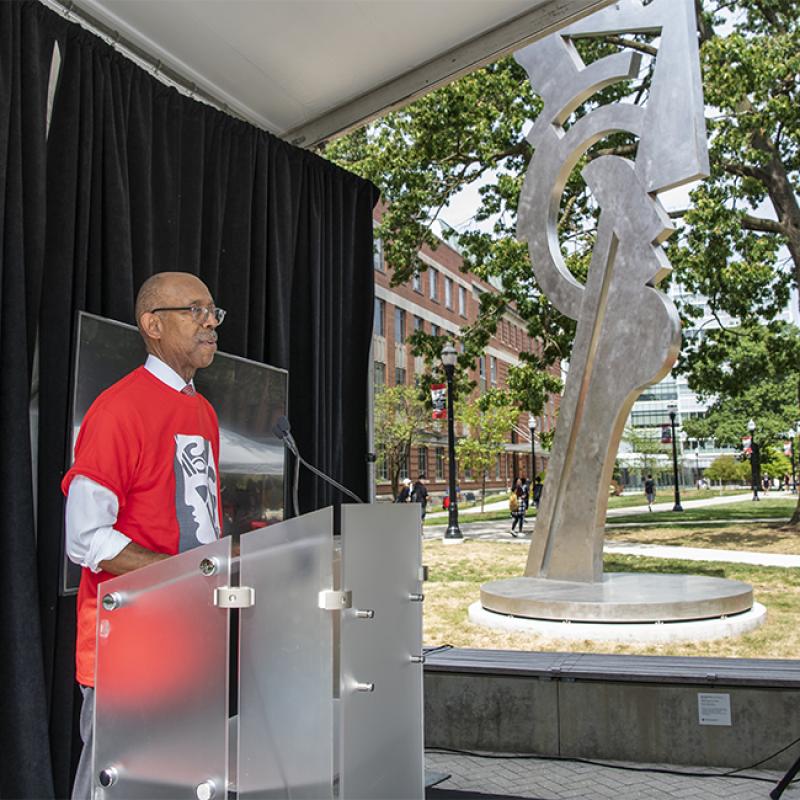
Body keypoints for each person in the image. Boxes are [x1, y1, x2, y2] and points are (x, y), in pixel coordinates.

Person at [62, 272, 225, 800]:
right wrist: (184, 573)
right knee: (115, 789)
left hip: (191, 640)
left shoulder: (203, 411)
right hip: (127, 649)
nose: (211, 323)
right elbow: (85, 538)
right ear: (153, 324)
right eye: (195, 311)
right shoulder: (117, 410)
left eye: (213, 312)